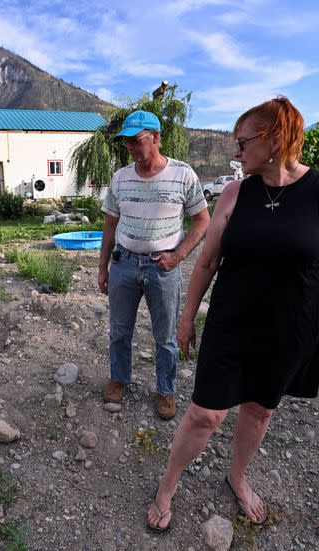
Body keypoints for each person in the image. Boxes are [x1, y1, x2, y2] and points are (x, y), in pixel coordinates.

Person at [146, 96, 319, 532]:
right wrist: (187, 319)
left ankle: (237, 476)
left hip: (288, 329)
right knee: (205, 413)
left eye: (242, 143)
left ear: (276, 138)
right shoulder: (234, 193)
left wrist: (295, 287)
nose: (235, 152)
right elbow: (206, 263)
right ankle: (168, 485)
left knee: (260, 409)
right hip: (231, 322)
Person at [98, 110, 210, 420]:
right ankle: (119, 379)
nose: (131, 148)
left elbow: (202, 220)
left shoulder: (183, 174)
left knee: (165, 336)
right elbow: (110, 224)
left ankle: (166, 390)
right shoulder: (120, 178)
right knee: (119, 331)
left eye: (137, 140)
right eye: (127, 143)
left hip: (163, 267)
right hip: (123, 264)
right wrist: (102, 267)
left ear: (156, 137)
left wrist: (179, 254)